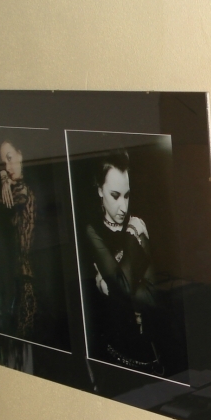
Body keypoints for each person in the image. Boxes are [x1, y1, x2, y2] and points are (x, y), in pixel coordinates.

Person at [84, 150, 162, 374]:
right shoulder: (93, 231)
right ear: (100, 190)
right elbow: (127, 288)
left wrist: (111, 285)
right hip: (112, 354)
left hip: (149, 355)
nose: (124, 207)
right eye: (115, 195)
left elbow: (151, 296)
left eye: (127, 196)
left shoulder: (137, 224)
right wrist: (131, 237)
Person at [0, 139, 37, 338]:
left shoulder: (24, 190)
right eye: (3, 163)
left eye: (10, 158)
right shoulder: (20, 189)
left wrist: (4, 179)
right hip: (21, 278)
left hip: (30, 279)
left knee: (25, 335)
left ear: (21, 154)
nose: (7, 167)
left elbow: (1, 202)